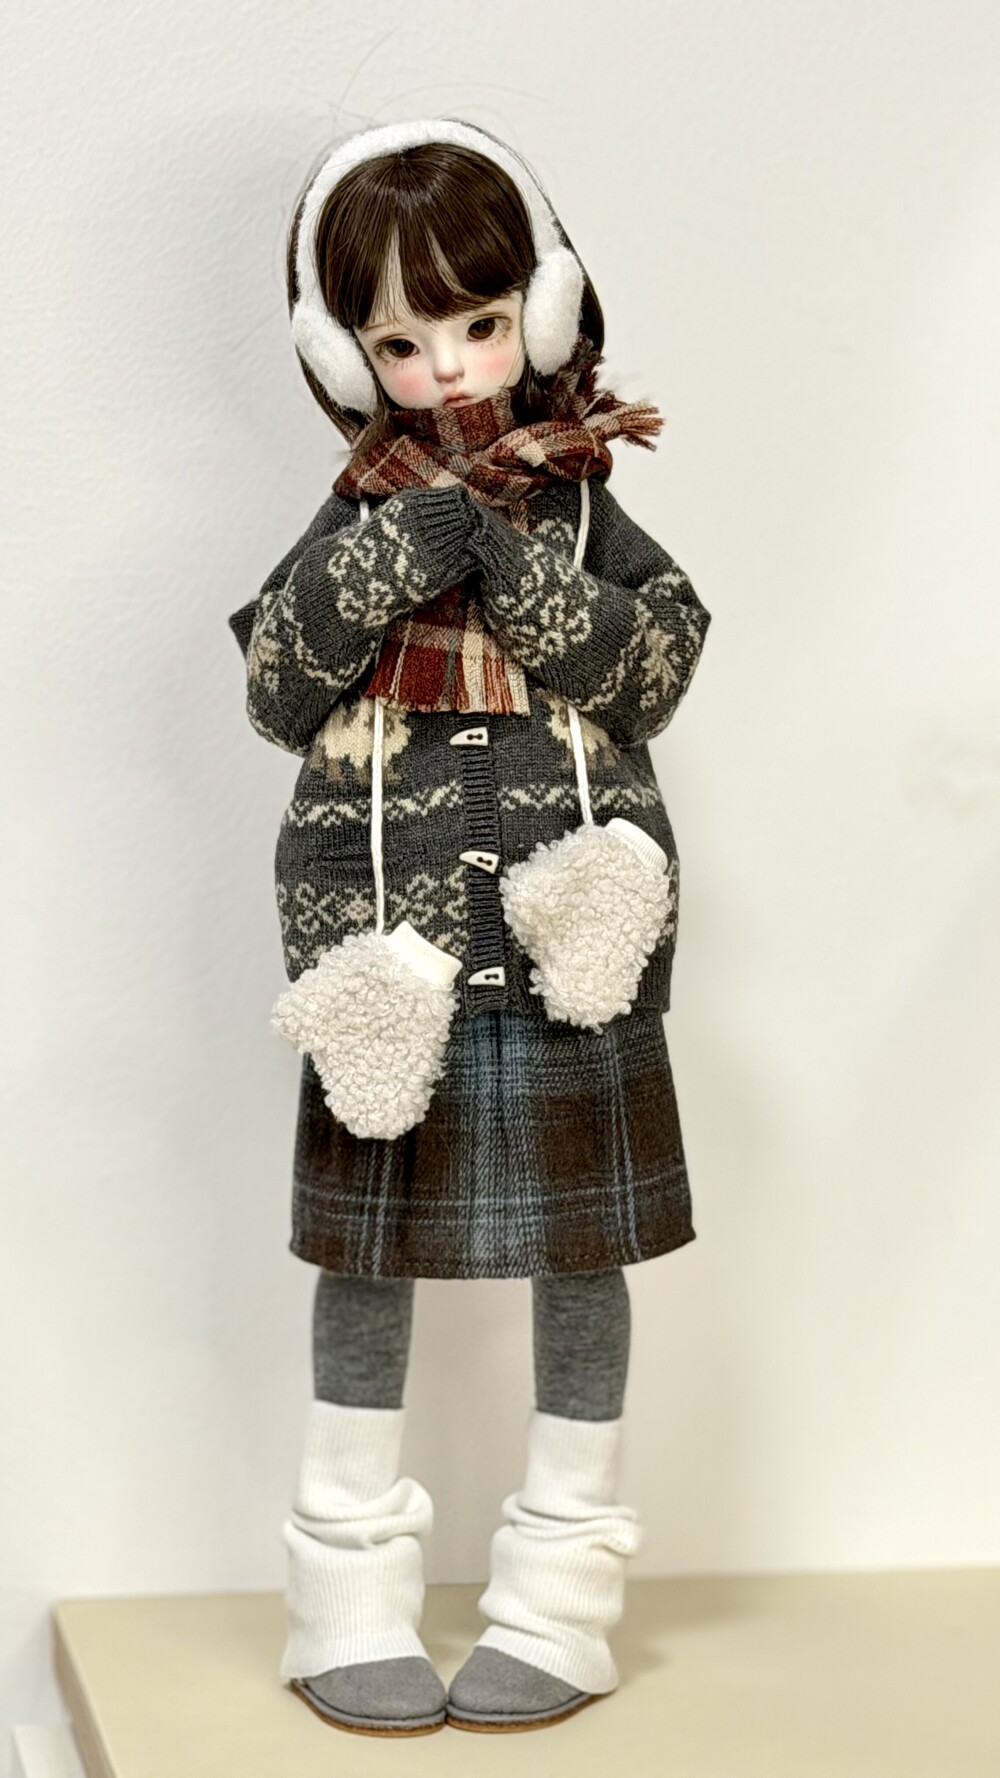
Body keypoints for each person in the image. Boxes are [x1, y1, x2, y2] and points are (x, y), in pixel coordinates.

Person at [227, 116, 712, 1737]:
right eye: (399, 341)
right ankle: (344, 1588)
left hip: (577, 945)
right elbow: (277, 688)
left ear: (547, 311)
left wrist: (511, 569)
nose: (445, 368)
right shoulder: (355, 512)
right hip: (394, 964)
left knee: (584, 1253)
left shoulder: (577, 506)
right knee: (366, 1261)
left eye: (482, 323)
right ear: (344, 356)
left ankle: (564, 1596)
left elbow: (654, 665)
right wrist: (383, 563)